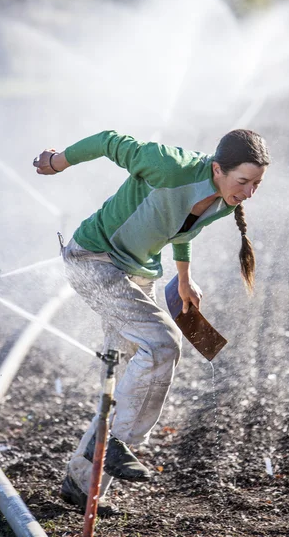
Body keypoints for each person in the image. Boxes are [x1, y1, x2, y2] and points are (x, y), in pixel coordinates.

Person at [33, 128, 270, 514]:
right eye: (243, 181)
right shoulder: (167, 163)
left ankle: (82, 484)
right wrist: (58, 162)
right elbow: (109, 141)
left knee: (129, 376)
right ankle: (111, 444)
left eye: (257, 184)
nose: (249, 193)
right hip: (94, 260)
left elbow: (180, 224)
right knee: (162, 346)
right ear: (217, 168)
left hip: (138, 273)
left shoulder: (225, 202)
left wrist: (184, 274)